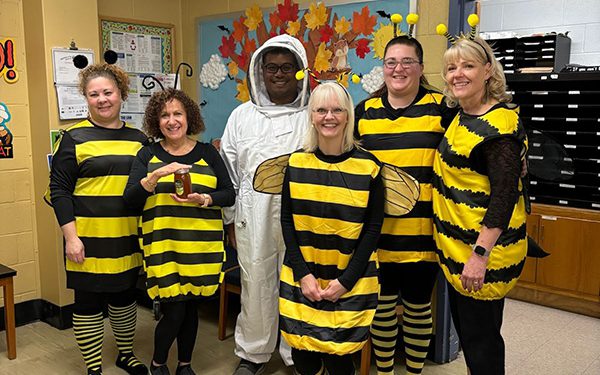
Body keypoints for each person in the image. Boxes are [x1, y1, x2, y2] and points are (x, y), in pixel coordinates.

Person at [354, 36, 457, 375]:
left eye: (407, 62)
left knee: (417, 309)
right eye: (391, 62)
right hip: (376, 235)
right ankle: (384, 373)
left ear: (420, 67)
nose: (398, 69)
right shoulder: (363, 112)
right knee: (381, 310)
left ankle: (413, 372)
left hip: (424, 235)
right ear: (383, 68)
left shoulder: (443, 107)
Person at [432, 36, 528, 375]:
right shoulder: (461, 114)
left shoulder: (499, 127)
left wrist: (479, 256)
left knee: (481, 342)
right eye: (451, 68)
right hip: (458, 248)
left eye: (468, 66)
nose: (457, 74)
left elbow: (504, 197)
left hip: (482, 254)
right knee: (473, 337)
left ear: (488, 70)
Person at [123, 88, 235, 375]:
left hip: (200, 246)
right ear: (155, 121)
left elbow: (229, 194)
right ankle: (158, 363)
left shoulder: (208, 153)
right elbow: (131, 200)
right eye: (164, 115)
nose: (171, 121)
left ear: (189, 118)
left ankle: (184, 364)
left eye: (177, 114)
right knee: (174, 309)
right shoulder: (147, 154)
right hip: (163, 245)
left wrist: (205, 198)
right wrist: (157, 174)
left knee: (190, 308)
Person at [48, 63, 148, 375]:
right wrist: (71, 238)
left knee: (124, 299)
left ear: (121, 95)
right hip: (86, 238)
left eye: (108, 92)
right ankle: (93, 367)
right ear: (86, 98)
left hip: (127, 237)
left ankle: (125, 354)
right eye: (94, 94)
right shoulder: (73, 137)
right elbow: (59, 190)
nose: (102, 99)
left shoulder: (139, 139)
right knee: (89, 304)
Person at [278, 82, 384, 375]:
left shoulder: (368, 167)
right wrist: (303, 274)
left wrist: (346, 281)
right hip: (304, 277)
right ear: (311, 116)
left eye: (337, 109)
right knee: (304, 356)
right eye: (321, 110)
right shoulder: (296, 163)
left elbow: (373, 230)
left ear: (348, 116)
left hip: (350, 278)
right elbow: (287, 221)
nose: (329, 116)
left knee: (339, 360)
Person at [219, 34, 310, 374]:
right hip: (252, 215)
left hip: (301, 215)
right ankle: (253, 353)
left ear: (300, 71)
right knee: (255, 283)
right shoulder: (242, 116)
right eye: (271, 67)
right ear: (260, 70)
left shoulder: (313, 113)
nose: (279, 74)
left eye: (288, 67)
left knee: (298, 283)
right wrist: (229, 220)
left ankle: (296, 352)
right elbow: (228, 171)